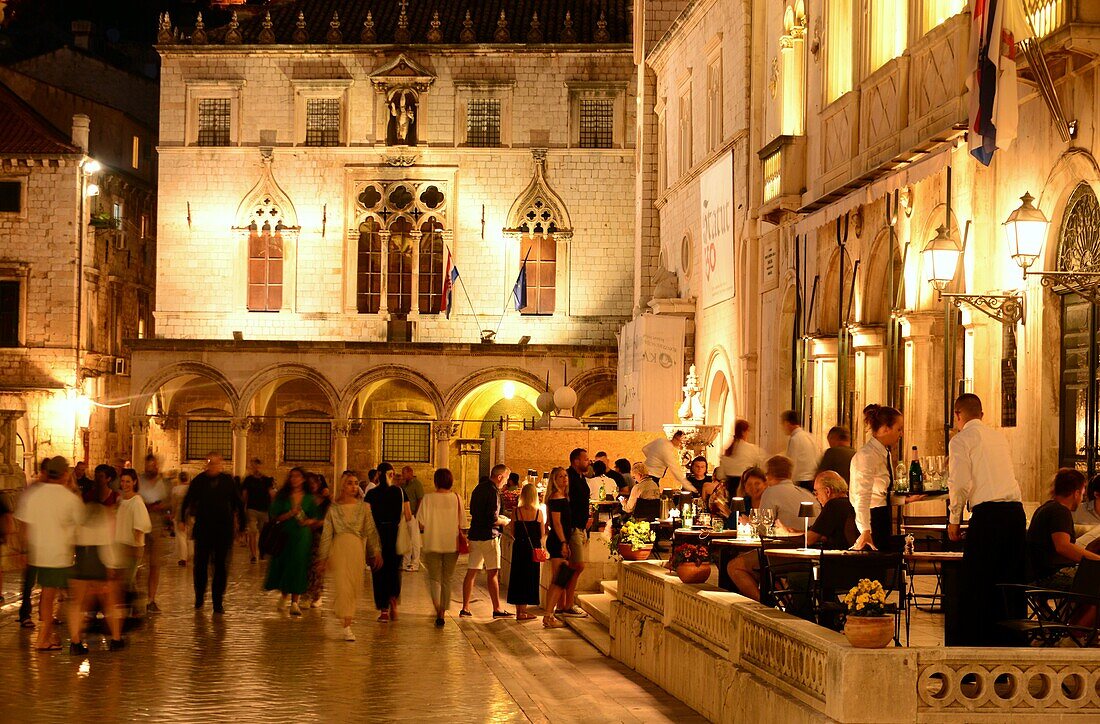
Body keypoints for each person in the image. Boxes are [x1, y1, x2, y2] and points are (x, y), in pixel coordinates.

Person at [947, 393, 1026, 647]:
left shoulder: (961, 440)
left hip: (989, 516)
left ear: (957, 415)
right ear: (982, 414)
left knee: (978, 584)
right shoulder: (998, 437)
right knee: (1010, 583)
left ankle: (976, 651)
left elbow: (959, 483)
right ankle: (1012, 648)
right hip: (1015, 514)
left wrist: (954, 519)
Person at [14, 456, 84, 653]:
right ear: (64, 474)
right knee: (58, 595)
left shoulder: (34, 495)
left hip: (39, 552)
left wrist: (23, 550)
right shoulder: (68, 498)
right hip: (59, 554)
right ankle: (44, 639)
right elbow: (80, 525)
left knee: (48, 594)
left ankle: (47, 635)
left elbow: (23, 525)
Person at [318, 471, 382, 641]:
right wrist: (323, 557)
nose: (353, 486)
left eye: (355, 483)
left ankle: (346, 617)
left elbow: (370, 530)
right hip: (339, 548)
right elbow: (326, 534)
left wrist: (375, 551)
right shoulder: (334, 509)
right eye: (349, 483)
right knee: (343, 585)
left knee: (353, 587)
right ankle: (347, 626)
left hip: (356, 549)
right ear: (343, 486)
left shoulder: (364, 507)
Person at [181, 452, 246, 614]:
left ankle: (218, 602)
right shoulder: (199, 481)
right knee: (200, 566)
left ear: (221, 464)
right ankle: (199, 598)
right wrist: (183, 518)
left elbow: (238, 503)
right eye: (210, 463)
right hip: (203, 530)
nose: (213, 466)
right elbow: (188, 500)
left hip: (223, 531)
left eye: (216, 463)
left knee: (221, 567)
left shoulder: (227, 481)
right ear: (206, 464)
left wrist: (242, 526)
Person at [71, 478, 124, 651]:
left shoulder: (80, 513)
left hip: (82, 557)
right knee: (110, 602)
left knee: (78, 603)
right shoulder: (106, 513)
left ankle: (75, 642)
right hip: (100, 558)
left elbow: (73, 536)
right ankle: (116, 639)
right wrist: (111, 566)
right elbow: (109, 541)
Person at [1028, 468, 1100, 588]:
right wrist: (1095, 560)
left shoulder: (1046, 508)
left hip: (1037, 573)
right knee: (1095, 579)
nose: (1081, 498)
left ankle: (1070, 607)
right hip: (1048, 577)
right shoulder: (1060, 511)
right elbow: (1063, 547)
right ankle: (1073, 607)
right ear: (1076, 493)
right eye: (1082, 494)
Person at [264, 467, 322, 616]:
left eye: (298, 476)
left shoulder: (309, 498)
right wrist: (290, 513)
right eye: (292, 476)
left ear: (303, 479)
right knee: (285, 564)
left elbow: (315, 517)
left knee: (298, 566)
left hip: (302, 537)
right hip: (285, 535)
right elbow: (275, 516)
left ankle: (294, 602)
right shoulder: (283, 497)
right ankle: (284, 594)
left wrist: (308, 521)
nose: (295, 479)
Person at [850, 405, 906, 551]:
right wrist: (865, 530)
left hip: (882, 516)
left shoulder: (884, 453)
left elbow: (881, 493)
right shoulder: (867, 456)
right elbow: (861, 496)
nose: (901, 434)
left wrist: (906, 499)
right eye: (898, 429)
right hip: (870, 520)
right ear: (885, 429)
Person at [460, 465, 512, 618]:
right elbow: (492, 518)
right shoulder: (494, 492)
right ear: (500, 477)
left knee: (472, 571)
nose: (506, 482)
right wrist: (504, 522)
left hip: (475, 534)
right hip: (489, 536)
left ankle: (465, 607)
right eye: (506, 478)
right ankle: (497, 608)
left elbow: (475, 512)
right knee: (493, 572)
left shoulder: (478, 488)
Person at [416, 467, 464, 627]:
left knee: (434, 578)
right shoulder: (457, 498)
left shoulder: (428, 499)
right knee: (447, 578)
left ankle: (437, 608)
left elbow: (420, 522)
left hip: (432, 542)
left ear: (436, 482)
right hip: (452, 543)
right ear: (451, 481)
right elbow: (463, 523)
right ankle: (443, 611)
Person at [366, 462, 411, 622]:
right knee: (393, 570)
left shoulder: (371, 494)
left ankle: (384, 610)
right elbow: (408, 515)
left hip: (377, 534)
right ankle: (394, 601)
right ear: (392, 474)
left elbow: (366, 517)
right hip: (395, 534)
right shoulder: (400, 492)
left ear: (378, 474)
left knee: (379, 572)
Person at [560, 448, 591, 617]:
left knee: (574, 567)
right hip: (572, 528)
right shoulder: (569, 477)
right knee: (577, 566)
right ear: (576, 461)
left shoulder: (581, 478)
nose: (588, 462)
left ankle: (564, 602)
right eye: (585, 459)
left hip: (580, 527)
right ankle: (568, 604)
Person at [507, 482, 545, 622]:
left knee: (518, 577)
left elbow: (513, 532)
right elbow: (541, 534)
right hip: (533, 548)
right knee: (530, 577)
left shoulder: (516, 512)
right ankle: (524, 612)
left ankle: (519, 611)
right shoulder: (538, 513)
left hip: (519, 548)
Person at [542, 467, 573, 629]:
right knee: (559, 579)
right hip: (557, 541)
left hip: (561, 540)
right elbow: (557, 523)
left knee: (559, 579)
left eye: (565, 476)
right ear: (554, 480)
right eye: (560, 477)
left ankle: (549, 614)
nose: (564, 479)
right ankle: (548, 615)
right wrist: (563, 543)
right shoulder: (556, 498)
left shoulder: (563, 497)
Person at [137, 454, 167, 613]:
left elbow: (170, 501)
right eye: (149, 466)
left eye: (154, 465)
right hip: (139, 525)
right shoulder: (138, 481)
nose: (152, 468)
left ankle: (151, 599)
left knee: (155, 564)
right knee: (136, 562)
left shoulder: (164, 483)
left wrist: (163, 507)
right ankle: (134, 597)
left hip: (156, 525)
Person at [758, 455, 817, 531]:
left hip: (787, 541)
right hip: (815, 541)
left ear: (769, 475)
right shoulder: (808, 494)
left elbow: (763, 528)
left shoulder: (770, 492)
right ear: (790, 474)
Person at [804, 471, 858, 550]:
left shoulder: (833, 505)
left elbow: (809, 539)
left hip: (839, 559)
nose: (816, 497)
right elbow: (822, 535)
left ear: (827, 491)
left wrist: (787, 533)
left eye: (816, 492)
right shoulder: (851, 502)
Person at [304, 473, 332, 608]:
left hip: (320, 536)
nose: (312, 486)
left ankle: (317, 594)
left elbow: (329, 519)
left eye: (314, 483)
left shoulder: (326, 501)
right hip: (305, 535)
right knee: (307, 565)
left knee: (318, 566)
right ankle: (307, 593)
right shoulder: (305, 499)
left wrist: (316, 522)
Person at [241, 457, 274, 564]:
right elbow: (245, 494)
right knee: (253, 531)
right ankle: (253, 554)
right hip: (252, 509)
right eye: (253, 465)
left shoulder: (266, 480)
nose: (255, 468)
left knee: (263, 532)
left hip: (264, 509)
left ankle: (262, 552)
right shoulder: (248, 480)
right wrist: (243, 507)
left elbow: (271, 493)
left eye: (257, 465)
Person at [781, 410, 820, 491]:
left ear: (787, 423)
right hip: (812, 480)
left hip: (801, 481)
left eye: (783, 424)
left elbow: (792, 463)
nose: (783, 428)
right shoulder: (809, 436)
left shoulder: (795, 439)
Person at [719, 420, 767, 486]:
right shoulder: (751, 449)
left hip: (730, 489)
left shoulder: (727, 450)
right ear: (743, 432)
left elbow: (720, 475)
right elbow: (764, 464)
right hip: (745, 488)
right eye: (748, 431)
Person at [400, 466, 425, 572]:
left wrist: (417, 514)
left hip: (413, 515)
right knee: (406, 540)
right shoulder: (404, 485)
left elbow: (420, 499)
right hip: (405, 515)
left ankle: (415, 563)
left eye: (404, 473)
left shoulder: (417, 484)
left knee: (415, 540)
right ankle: (405, 563)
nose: (403, 475)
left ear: (410, 472)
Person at [170, 472, 191, 566]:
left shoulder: (175, 489)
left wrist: (173, 513)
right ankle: (191, 554)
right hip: (191, 514)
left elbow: (173, 503)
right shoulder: (191, 488)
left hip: (179, 513)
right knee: (190, 535)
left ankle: (183, 557)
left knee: (181, 536)